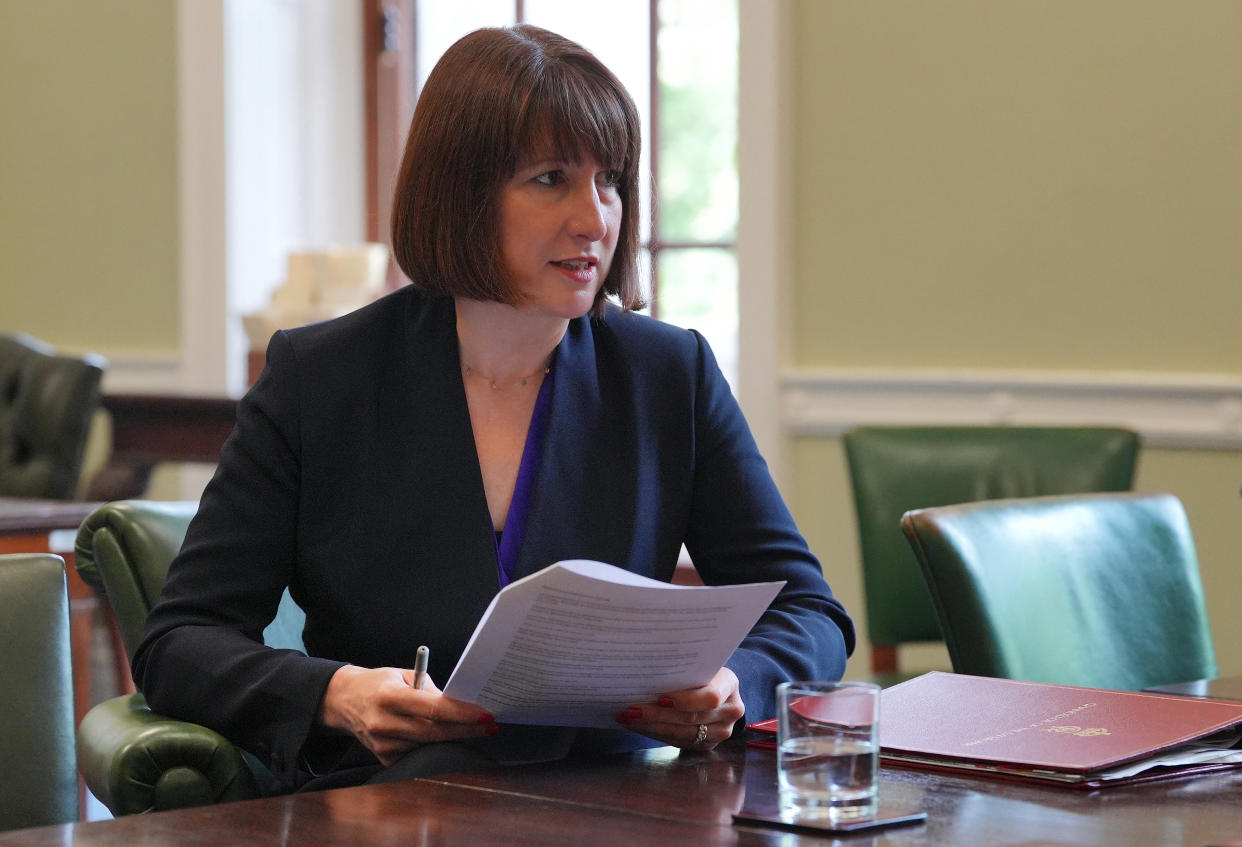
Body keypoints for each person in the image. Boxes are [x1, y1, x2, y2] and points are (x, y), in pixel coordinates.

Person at [132, 24, 854, 794]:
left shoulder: (669, 373)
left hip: (621, 804)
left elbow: (810, 611)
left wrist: (732, 681)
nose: (594, 218)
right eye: (550, 178)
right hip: (396, 804)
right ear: (461, 192)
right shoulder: (320, 378)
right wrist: (337, 693)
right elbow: (180, 641)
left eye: (608, 180)